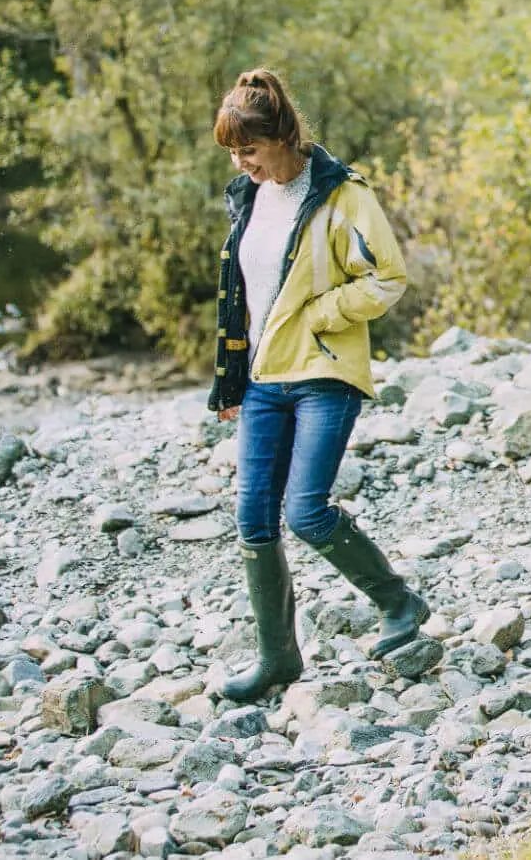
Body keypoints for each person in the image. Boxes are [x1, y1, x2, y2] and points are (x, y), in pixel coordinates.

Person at [206, 69, 427, 702]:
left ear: (281, 137)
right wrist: (229, 383)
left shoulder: (342, 193)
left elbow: (388, 277)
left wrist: (323, 314)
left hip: (324, 373)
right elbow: (242, 298)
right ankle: (278, 658)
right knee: (253, 516)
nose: (242, 163)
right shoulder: (248, 197)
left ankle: (399, 602)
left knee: (305, 510)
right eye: (232, 153)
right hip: (263, 380)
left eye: (248, 150)